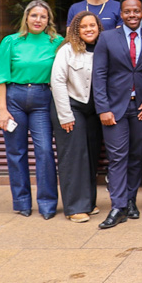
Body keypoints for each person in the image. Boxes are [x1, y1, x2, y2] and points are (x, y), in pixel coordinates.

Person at [0, 0, 64, 218]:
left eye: (43, 16)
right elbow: (0, 78)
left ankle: (47, 204)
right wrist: (2, 110)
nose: (38, 20)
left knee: (44, 151)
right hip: (15, 98)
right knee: (16, 152)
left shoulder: (57, 42)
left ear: (48, 20)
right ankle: (22, 202)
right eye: (34, 15)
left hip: (43, 100)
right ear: (26, 17)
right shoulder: (11, 42)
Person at [94, 0, 142, 228]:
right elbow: (98, 75)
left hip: (141, 107)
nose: (132, 15)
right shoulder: (107, 38)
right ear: (121, 14)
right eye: (127, 11)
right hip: (114, 108)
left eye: (136, 11)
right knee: (117, 157)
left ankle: (131, 200)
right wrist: (103, 108)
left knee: (135, 157)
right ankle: (118, 206)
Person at [50, 12, 103, 222]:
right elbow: (57, 81)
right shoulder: (66, 50)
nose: (89, 29)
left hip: (93, 110)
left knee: (90, 156)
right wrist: (65, 116)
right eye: (84, 27)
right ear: (76, 30)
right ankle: (75, 208)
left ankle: (88, 203)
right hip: (71, 108)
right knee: (74, 157)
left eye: (93, 25)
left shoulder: (103, 49)